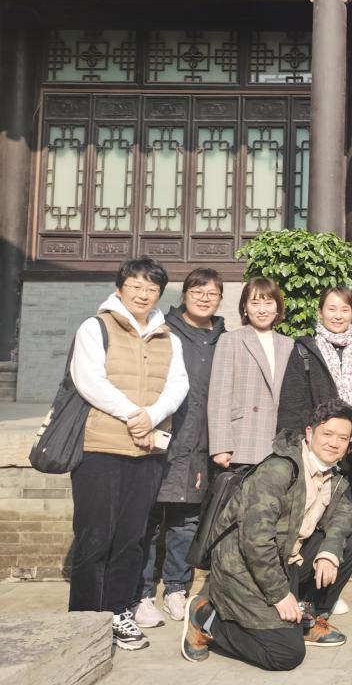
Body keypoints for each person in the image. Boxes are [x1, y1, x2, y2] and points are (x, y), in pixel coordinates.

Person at [181, 399, 352, 671]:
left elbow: (342, 515)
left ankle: (306, 618)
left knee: (348, 545)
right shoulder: (279, 470)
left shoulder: (333, 475)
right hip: (242, 568)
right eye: (327, 434)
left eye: (343, 438)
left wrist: (329, 553)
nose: (334, 443)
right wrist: (279, 595)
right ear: (310, 433)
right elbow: (255, 541)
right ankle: (206, 617)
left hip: (284, 559)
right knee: (286, 654)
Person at [68, 257, 189, 651]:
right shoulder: (95, 327)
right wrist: (133, 414)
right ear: (120, 288)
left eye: (151, 288)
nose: (143, 294)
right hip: (100, 447)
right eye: (136, 285)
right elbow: (88, 379)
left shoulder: (168, 338)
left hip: (147, 450)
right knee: (94, 535)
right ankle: (85, 619)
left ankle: (119, 610)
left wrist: (151, 416)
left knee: (131, 537)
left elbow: (178, 385)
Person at [135, 268, 225, 630]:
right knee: (149, 519)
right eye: (197, 291)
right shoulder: (162, 331)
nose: (204, 298)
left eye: (212, 293)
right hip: (160, 438)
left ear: (220, 299)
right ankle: (142, 592)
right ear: (184, 294)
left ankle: (176, 587)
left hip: (200, 443)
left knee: (186, 520)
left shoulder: (224, 340)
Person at [208, 277, 294, 469]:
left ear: (278, 307)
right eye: (255, 303)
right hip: (242, 440)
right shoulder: (230, 340)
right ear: (245, 308)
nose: (262, 310)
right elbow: (219, 397)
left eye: (268, 303)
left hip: (278, 443)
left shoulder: (288, 345)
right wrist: (220, 446)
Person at [278, 287, 352, 431]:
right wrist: (296, 442)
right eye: (332, 309)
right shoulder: (304, 351)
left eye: (345, 310)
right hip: (316, 439)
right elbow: (291, 407)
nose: (338, 316)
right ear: (320, 312)